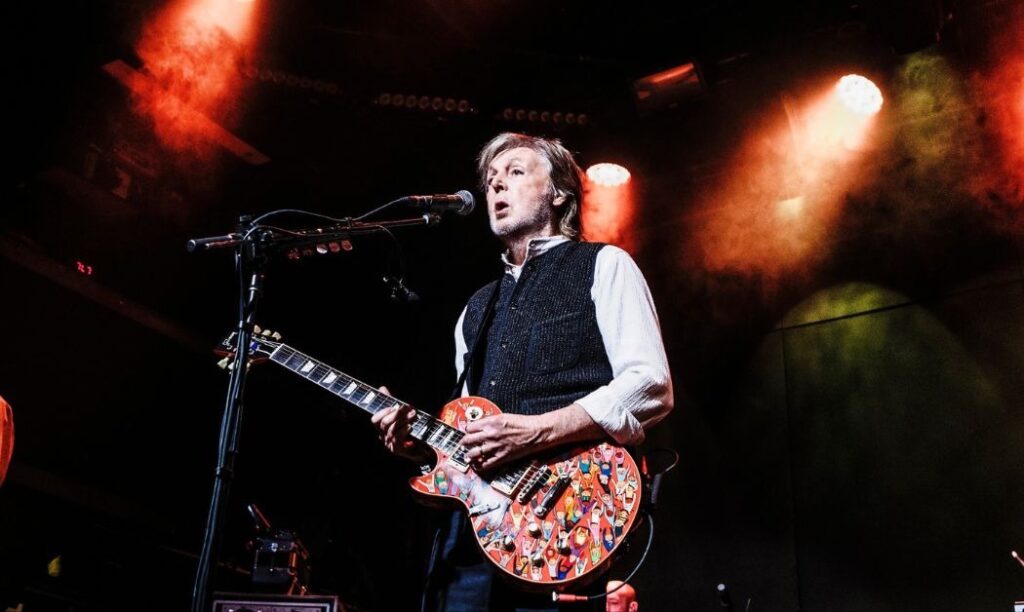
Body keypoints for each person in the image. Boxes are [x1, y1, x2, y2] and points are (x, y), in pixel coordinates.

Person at [371, 132, 673, 611]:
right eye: (491, 180)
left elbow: (649, 386)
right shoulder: (476, 309)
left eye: (514, 173)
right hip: (476, 536)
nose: (496, 188)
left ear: (558, 192)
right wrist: (419, 449)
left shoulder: (604, 265)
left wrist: (535, 431)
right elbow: (466, 437)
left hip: (566, 521)